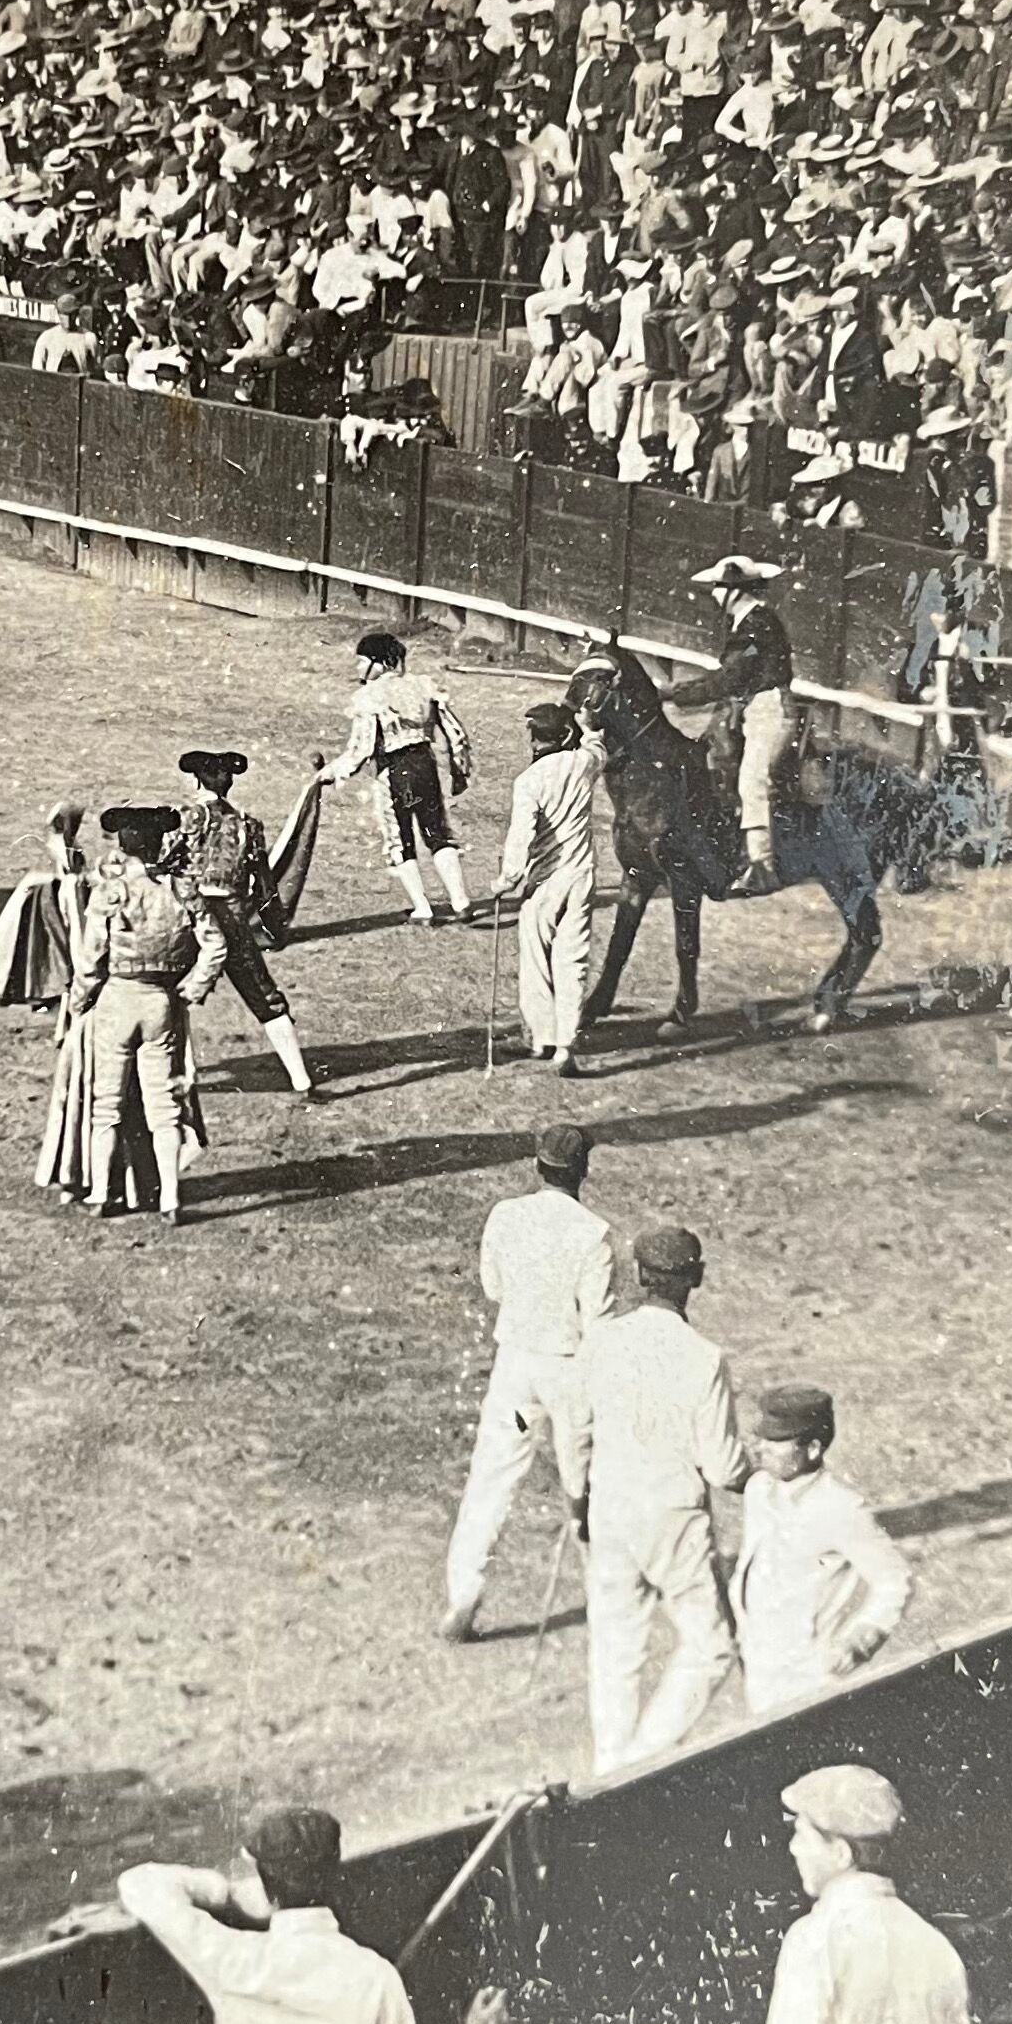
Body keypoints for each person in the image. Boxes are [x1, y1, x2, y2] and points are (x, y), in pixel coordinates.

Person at [117, 1806, 509, 2024]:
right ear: (335, 1876)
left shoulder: (234, 1960)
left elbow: (140, 1884)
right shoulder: (375, 1977)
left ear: (265, 1886)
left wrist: (226, 1893)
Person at [564, 1222, 746, 1774]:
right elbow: (722, 1467)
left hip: (611, 1507)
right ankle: (641, 1761)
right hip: (674, 1517)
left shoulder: (600, 1341)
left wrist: (578, 1502)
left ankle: (611, 1765)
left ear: (639, 1276)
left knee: (615, 1647)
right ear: (698, 1278)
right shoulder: (704, 1357)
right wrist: (758, 1479)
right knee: (712, 1646)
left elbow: (575, 1432)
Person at [443, 1121, 616, 1643]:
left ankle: (464, 1591)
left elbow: (493, 1287)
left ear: (537, 1167)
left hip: (516, 1365)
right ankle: (606, 1592)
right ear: (582, 1170)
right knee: (584, 1484)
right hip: (569, 1369)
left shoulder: (506, 1215)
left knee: (491, 1477)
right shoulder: (594, 1234)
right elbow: (600, 1324)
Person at [745, 1764, 981, 2024]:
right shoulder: (936, 1946)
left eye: (802, 1835)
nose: (793, 1848)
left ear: (842, 1853)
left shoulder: (814, 1940)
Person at [65, 804, 224, 1227]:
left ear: (122, 847)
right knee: (164, 1107)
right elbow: (216, 946)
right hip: (161, 1002)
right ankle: (170, 1197)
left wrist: (78, 1004)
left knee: (106, 1105)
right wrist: (190, 990)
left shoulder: (111, 892)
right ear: (159, 845)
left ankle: (102, 1193)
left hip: (117, 999)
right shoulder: (180, 890)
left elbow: (90, 960)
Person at [730, 1386, 912, 1717]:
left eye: (776, 1441)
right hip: (759, 1662)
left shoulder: (840, 1508)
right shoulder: (759, 1490)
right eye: (762, 1438)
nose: (761, 1448)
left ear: (813, 1448)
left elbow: (895, 1580)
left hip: (810, 1674)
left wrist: (860, 1639)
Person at [169, 748, 312, 1098]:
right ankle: (301, 1080)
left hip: (188, 915)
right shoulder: (249, 824)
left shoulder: (185, 817)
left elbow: (164, 867)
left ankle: (186, 1074)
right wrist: (275, 926)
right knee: (265, 997)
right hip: (232, 916)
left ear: (196, 779)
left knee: (170, 990)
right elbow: (264, 885)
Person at [321, 631, 476, 928]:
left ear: (378, 663)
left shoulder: (369, 696)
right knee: (437, 832)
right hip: (425, 766)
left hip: (393, 771)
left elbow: (361, 750)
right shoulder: (422, 685)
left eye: (362, 661)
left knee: (398, 838)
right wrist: (459, 770)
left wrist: (331, 773)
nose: (357, 668)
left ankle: (423, 908)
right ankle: (461, 902)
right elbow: (454, 732)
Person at [489, 698, 605, 1073]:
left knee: (537, 959)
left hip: (544, 883)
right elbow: (597, 748)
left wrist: (506, 880)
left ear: (536, 740)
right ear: (566, 735)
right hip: (581, 876)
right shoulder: (583, 763)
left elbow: (520, 838)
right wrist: (588, 727)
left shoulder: (528, 781)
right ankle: (566, 1045)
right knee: (573, 960)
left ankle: (541, 1038)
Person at [690, 557, 795, 896]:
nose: (714, 594)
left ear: (735, 591)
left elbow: (730, 676)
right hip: (758, 709)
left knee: (753, 782)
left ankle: (762, 868)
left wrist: (677, 693)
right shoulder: (753, 622)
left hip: (769, 710)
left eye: (718, 587)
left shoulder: (756, 626)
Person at [0, 801, 89, 1012]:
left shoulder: (61, 843)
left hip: (51, 897)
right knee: (53, 945)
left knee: (49, 946)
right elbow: (65, 873)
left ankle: (49, 991)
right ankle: (51, 990)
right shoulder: (63, 844)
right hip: (50, 900)